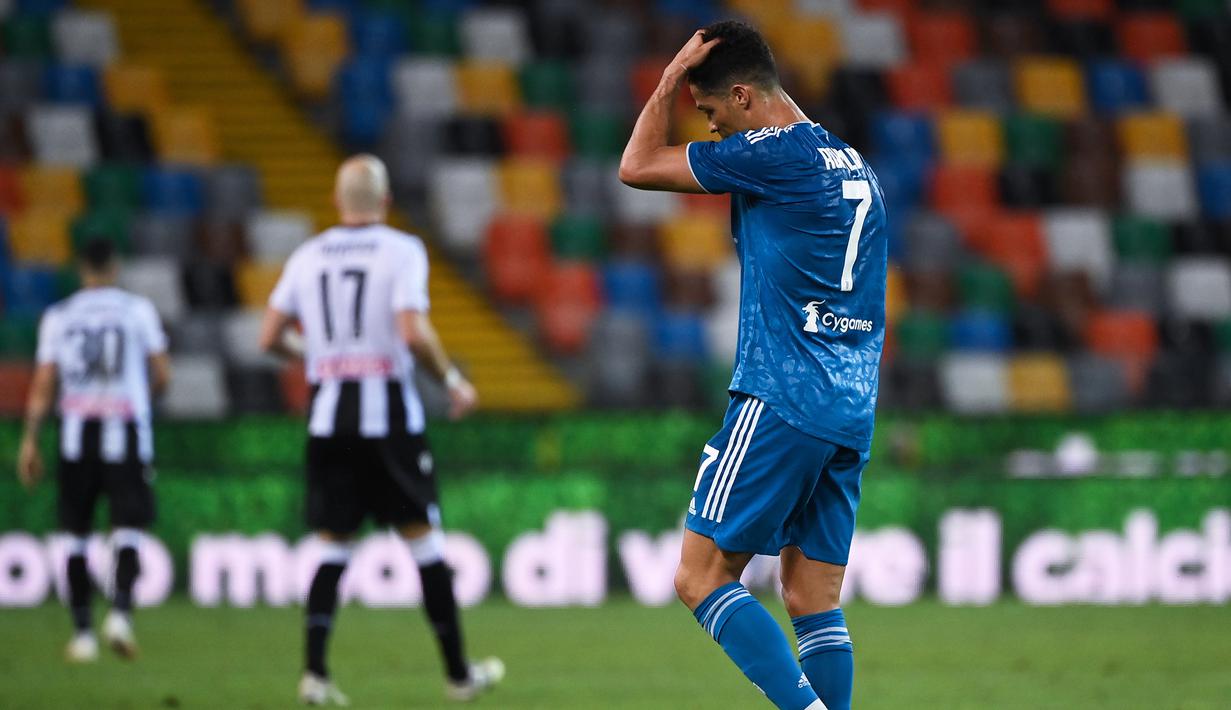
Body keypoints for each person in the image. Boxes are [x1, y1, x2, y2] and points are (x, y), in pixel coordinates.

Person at [619, 20, 888, 710]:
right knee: (810, 595)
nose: (708, 130)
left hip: (782, 395)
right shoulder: (851, 161)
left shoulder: (772, 152)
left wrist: (668, 79)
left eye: (709, 112)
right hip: (849, 406)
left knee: (699, 576)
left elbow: (638, 166)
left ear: (741, 96)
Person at [259, 154, 503, 706]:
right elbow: (412, 331)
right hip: (389, 416)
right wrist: (453, 380)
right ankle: (458, 675)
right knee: (424, 540)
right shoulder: (402, 250)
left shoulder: (308, 255)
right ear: (386, 202)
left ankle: (315, 675)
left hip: (327, 416)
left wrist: (316, 352)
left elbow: (269, 336)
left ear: (337, 202)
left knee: (331, 544)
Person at [17, 239, 171, 663]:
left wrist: (30, 439)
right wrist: (137, 397)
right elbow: (161, 374)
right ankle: (120, 614)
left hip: (74, 435)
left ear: (82, 268)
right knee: (128, 529)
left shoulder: (59, 316)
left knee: (75, 536)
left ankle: (82, 633)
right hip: (125, 431)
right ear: (114, 266)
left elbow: (44, 384)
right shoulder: (137, 311)